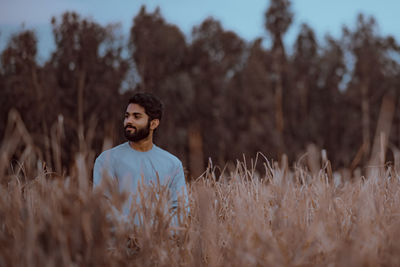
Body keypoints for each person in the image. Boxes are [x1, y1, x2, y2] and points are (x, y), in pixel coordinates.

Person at [93, 92, 188, 222]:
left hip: (160, 241)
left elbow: (180, 210)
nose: (129, 121)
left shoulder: (172, 163)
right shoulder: (107, 160)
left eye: (136, 117)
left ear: (154, 124)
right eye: (127, 116)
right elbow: (102, 205)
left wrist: (158, 233)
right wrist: (134, 231)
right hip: (119, 241)